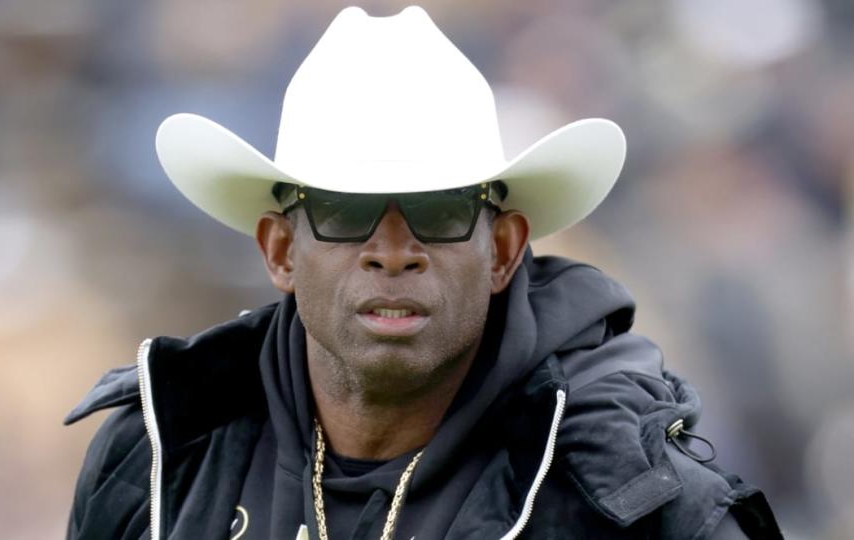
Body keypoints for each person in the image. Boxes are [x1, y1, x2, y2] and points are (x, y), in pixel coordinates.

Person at [65, 6, 781, 539]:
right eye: (347, 212)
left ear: (502, 251)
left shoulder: (642, 506)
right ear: (281, 251)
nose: (393, 249)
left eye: (437, 211)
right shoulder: (158, 459)